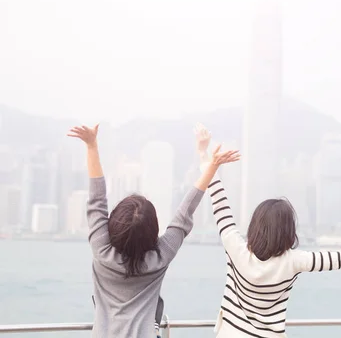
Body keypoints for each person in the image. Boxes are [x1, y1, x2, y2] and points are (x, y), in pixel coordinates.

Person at [194, 124, 341, 338]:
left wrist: (204, 155)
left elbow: (218, 198)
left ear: (256, 225)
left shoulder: (236, 248)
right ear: (288, 232)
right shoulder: (294, 261)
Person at [68, 124, 240, 337]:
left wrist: (92, 146)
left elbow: (96, 201)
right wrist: (211, 165)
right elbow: (185, 213)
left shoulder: (101, 250)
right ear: (153, 231)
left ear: (113, 226)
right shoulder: (160, 256)